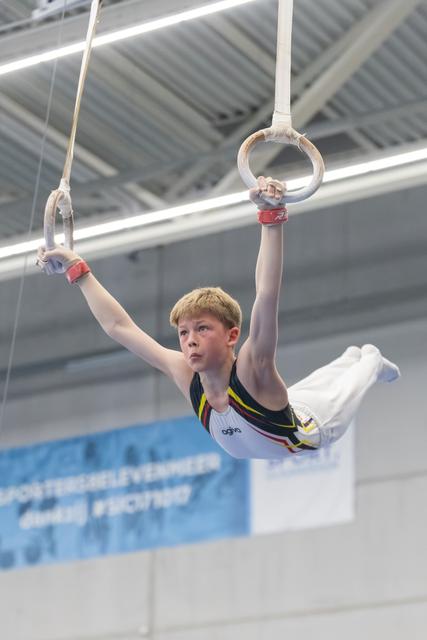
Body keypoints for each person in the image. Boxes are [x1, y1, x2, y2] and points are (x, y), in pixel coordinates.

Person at [37, 177, 400, 459]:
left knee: (352, 377)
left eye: (202, 328)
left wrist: (271, 218)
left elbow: (267, 295)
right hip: (281, 408)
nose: (189, 340)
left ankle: (369, 360)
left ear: (232, 335)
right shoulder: (184, 372)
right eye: (183, 332)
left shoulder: (254, 368)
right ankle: (351, 358)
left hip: (313, 430)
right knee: (316, 383)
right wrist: (78, 271)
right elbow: (119, 327)